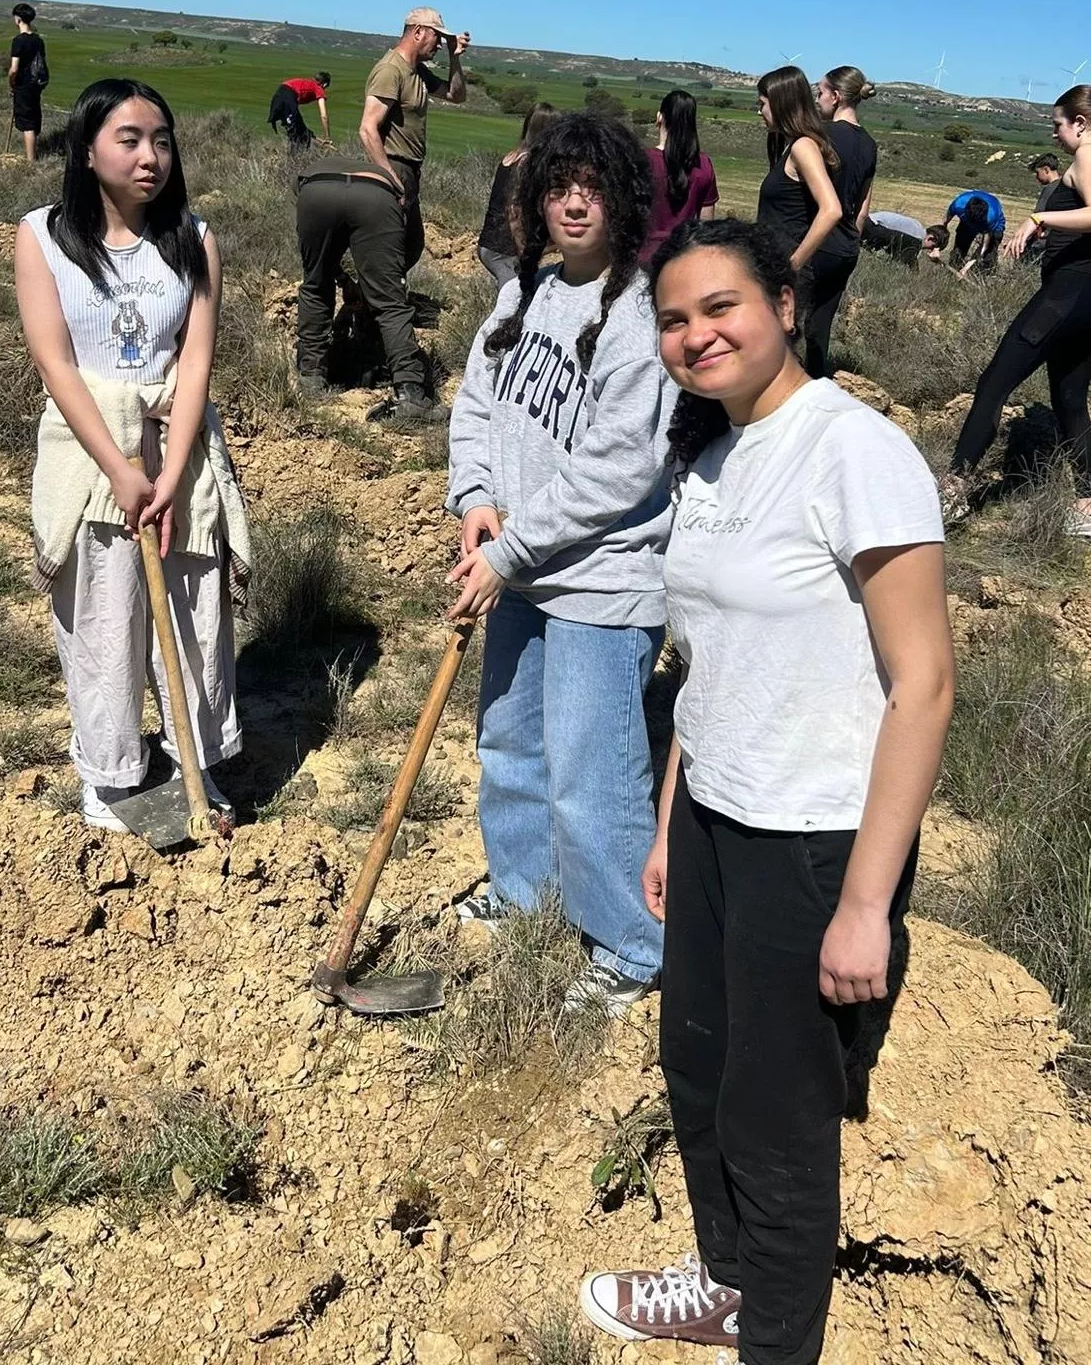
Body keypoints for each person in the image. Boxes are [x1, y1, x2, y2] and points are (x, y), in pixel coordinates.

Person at [580, 217, 953, 1365]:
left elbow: (923, 683)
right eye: (673, 319)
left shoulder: (852, 450)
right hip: (708, 819)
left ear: (783, 306)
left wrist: (860, 902)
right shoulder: (710, 456)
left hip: (810, 837)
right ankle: (727, 1282)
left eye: (719, 308)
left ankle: (775, 1342)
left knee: (777, 1111)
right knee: (693, 1063)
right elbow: (703, 668)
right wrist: (664, 823)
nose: (696, 335)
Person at [445, 112, 678, 1014]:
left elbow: (618, 469)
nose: (573, 204)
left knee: (593, 771)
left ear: (623, 199)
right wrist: (474, 503)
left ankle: (628, 943)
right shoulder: (520, 297)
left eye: (592, 188)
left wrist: (509, 549)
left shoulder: (637, 314)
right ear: (533, 200)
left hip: (601, 582)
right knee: (508, 743)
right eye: (557, 187)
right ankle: (522, 891)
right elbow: (474, 406)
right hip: (516, 566)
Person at [14, 78, 251, 833]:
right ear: (87, 150)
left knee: (191, 614)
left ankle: (193, 761)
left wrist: (172, 473)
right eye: (129, 139)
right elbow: (54, 363)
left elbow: (195, 365)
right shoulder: (42, 236)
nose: (150, 156)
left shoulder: (194, 239)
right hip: (91, 453)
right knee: (104, 614)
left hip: (177, 445)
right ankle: (110, 773)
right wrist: (121, 469)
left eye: (161, 139)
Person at [942, 85, 1091, 536]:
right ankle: (1086, 505)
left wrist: (1040, 219)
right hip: (1084, 301)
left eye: (1058, 124)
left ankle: (952, 492)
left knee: (993, 383)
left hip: (1065, 297)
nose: (1054, 132)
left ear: (1080, 124)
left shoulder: (1087, 156)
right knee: (1069, 400)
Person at [294, 152, 447, 420]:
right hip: (375, 197)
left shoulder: (311, 176)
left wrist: (342, 280)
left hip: (316, 191)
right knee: (391, 306)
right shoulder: (402, 204)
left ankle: (311, 378)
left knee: (315, 285)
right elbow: (399, 267)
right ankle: (411, 394)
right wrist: (369, 290)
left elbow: (318, 262)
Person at [359, 8, 470, 274]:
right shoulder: (390, 70)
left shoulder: (417, 71)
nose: (441, 45)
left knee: (410, 244)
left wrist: (456, 59)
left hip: (409, 170)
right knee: (394, 246)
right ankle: (377, 303)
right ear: (418, 32)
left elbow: (456, 95)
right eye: (437, 37)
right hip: (394, 166)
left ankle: (380, 299)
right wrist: (391, 179)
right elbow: (367, 129)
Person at [754, 66, 844, 375]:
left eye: (762, 103)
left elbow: (831, 209)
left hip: (784, 266)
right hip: (771, 264)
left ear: (779, 103)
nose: (759, 112)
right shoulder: (790, 145)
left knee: (772, 355)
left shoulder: (803, 147)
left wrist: (793, 263)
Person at [808, 66, 879, 375]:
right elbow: (864, 204)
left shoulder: (822, 136)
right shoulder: (869, 144)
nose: (818, 100)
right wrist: (852, 240)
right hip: (846, 244)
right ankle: (817, 381)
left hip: (816, 239)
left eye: (821, 93)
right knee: (820, 326)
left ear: (836, 97)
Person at [477, 103, 558, 291]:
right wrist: (524, 249)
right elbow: (515, 207)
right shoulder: (527, 163)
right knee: (512, 303)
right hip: (504, 249)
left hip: (491, 243)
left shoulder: (511, 157)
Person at [639, 89, 719, 266]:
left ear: (659, 117)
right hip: (685, 258)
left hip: (644, 257)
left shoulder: (642, 161)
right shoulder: (704, 164)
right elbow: (706, 225)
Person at [8, 2, 47, 164]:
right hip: (37, 84)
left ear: (18, 19)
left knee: (27, 123)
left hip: (23, 84)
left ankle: (31, 161)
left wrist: (11, 83)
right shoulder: (38, 40)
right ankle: (33, 154)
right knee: (33, 117)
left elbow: (14, 69)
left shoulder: (18, 41)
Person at [941, 188, 1006, 276]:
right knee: (958, 252)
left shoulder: (991, 217)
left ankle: (984, 276)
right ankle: (950, 276)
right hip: (966, 224)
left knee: (987, 256)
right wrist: (939, 244)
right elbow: (944, 223)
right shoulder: (959, 204)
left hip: (995, 228)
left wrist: (965, 268)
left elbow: (984, 247)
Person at [267, 72, 332, 155]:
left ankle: (295, 159)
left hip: (278, 97)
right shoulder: (318, 88)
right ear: (325, 84)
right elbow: (324, 116)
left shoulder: (307, 83)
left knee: (302, 132)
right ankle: (295, 162)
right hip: (288, 97)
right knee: (298, 136)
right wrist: (327, 137)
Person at [861, 211, 949, 266]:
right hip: (870, 225)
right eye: (931, 248)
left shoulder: (917, 227)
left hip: (868, 221)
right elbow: (911, 263)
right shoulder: (916, 238)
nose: (929, 250)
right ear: (930, 238)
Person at [1026, 152, 1063, 262]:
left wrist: (1025, 238)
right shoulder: (1065, 186)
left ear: (1046, 170)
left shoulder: (1050, 189)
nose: (1037, 177)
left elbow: (1037, 217)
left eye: (1038, 173)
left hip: (1041, 243)